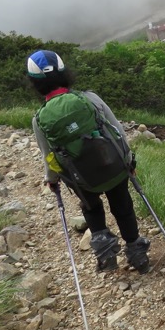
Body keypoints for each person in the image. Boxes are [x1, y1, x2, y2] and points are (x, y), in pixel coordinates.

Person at [26, 50, 151, 274]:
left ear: (35, 84)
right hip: (113, 167)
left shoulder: (39, 119)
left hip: (81, 178)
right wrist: (129, 160)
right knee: (122, 207)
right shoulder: (90, 99)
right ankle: (137, 254)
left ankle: (106, 256)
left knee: (91, 209)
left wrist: (51, 179)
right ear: (65, 73)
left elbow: (49, 154)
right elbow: (118, 132)